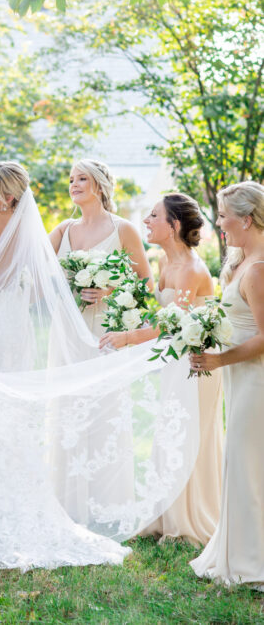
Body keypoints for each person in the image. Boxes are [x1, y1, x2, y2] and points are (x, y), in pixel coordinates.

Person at [0, 161, 200, 570]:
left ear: (9, 196)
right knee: (4, 416)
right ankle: (7, 502)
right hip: (13, 332)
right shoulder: (36, 232)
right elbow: (39, 287)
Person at [101, 193, 223, 545]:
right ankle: (164, 513)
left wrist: (126, 337)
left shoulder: (191, 269)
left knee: (188, 435)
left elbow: (168, 326)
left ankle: (188, 519)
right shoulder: (166, 265)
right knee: (168, 433)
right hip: (175, 361)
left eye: (154, 216)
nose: (147, 222)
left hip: (196, 363)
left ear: (175, 225)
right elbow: (157, 313)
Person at [190, 181, 264, 587]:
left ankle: (252, 565)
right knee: (240, 463)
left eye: (223, 215)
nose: (218, 223)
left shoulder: (258, 269)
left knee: (248, 465)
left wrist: (218, 359)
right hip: (240, 378)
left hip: (256, 381)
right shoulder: (241, 261)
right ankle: (237, 553)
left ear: (246, 219)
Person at [50, 159, 153, 342]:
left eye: (82, 178)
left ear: (100, 186)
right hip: (66, 326)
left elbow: (146, 282)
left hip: (105, 327)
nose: (74, 184)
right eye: (71, 180)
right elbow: (32, 258)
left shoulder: (123, 229)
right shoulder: (64, 229)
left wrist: (109, 291)